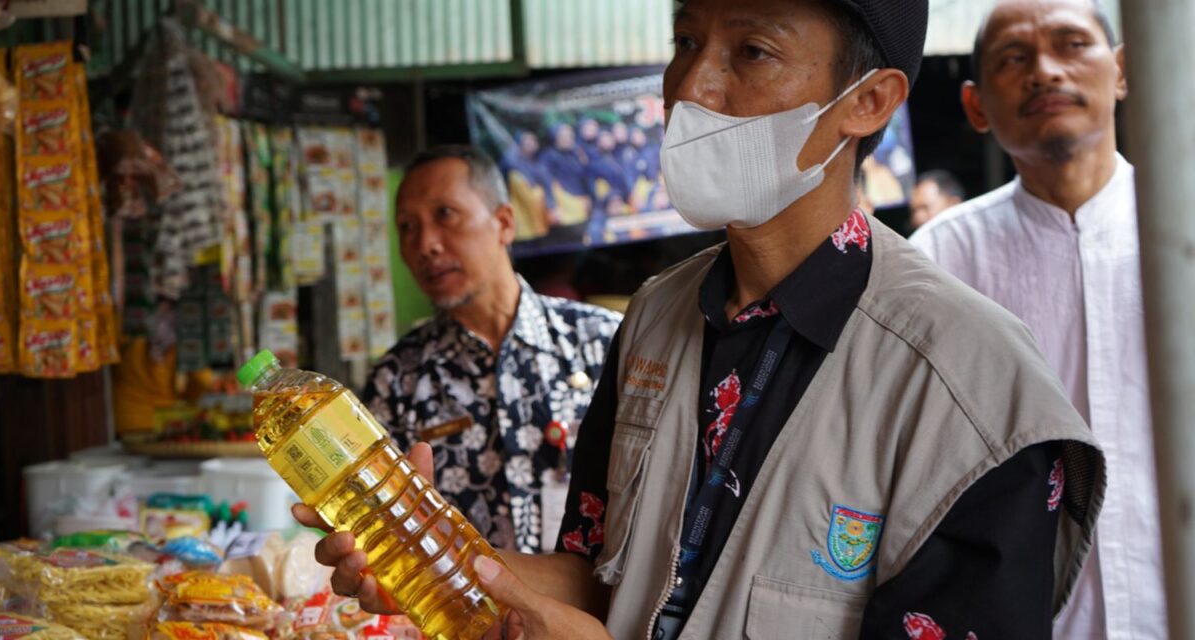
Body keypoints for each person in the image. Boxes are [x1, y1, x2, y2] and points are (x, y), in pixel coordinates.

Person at [298, 2, 1105, 638]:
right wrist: (437, 558)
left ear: (867, 101)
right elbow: (605, 575)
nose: (690, 86)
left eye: (751, 51)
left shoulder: (970, 386)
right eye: (685, 41)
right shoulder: (655, 316)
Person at [910, 1, 1163, 637]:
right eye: (1014, 58)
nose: (1045, 71)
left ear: (1123, 71)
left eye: (1072, 44)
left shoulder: (1180, 230)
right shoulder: (938, 265)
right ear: (976, 106)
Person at [357, 145, 622, 554]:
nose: (425, 244)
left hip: (593, 594)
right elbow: (381, 526)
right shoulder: (396, 380)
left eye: (445, 214)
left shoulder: (603, 341)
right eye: (407, 227)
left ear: (504, 223)